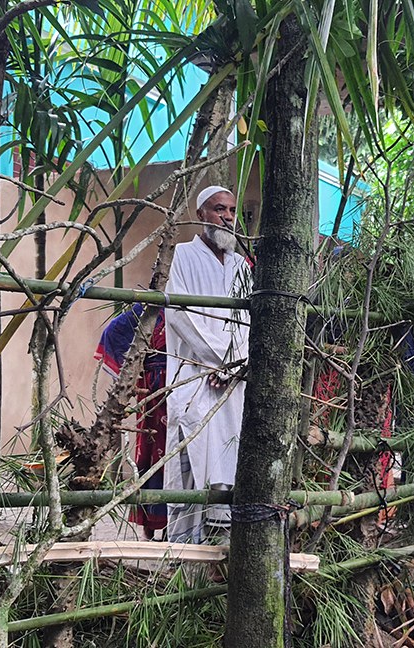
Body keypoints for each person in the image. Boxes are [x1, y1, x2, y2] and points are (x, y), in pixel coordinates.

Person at [163, 185, 251, 544]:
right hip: (194, 374)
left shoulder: (242, 266)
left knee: (230, 457)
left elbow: (249, 322)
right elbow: (179, 314)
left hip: (233, 380)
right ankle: (184, 556)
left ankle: (220, 548)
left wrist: (235, 365)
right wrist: (217, 360)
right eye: (219, 209)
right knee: (189, 460)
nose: (228, 217)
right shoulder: (182, 256)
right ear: (201, 213)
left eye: (232, 210)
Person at [94, 304, 168, 539]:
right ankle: (152, 519)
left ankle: (175, 523)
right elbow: (114, 331)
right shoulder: (152, 308)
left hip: (191, 385)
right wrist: (132, 375)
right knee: (154, 451)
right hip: (157, 386)